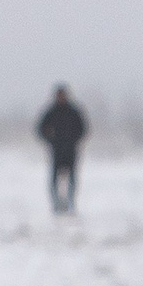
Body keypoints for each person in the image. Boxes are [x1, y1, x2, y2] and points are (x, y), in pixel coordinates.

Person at [36, 85, 88, 214]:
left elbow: (83, 128)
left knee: (72, 178)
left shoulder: (73, 111)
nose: (61, 98)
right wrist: (50, 140)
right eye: (59, 95)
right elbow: (40, 128)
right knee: (54, 179)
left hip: (71, 150)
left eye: (63, 95)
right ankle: (56, 203)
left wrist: (74, 140)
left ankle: (70, 203)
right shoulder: (51, 111)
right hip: (56, 150)